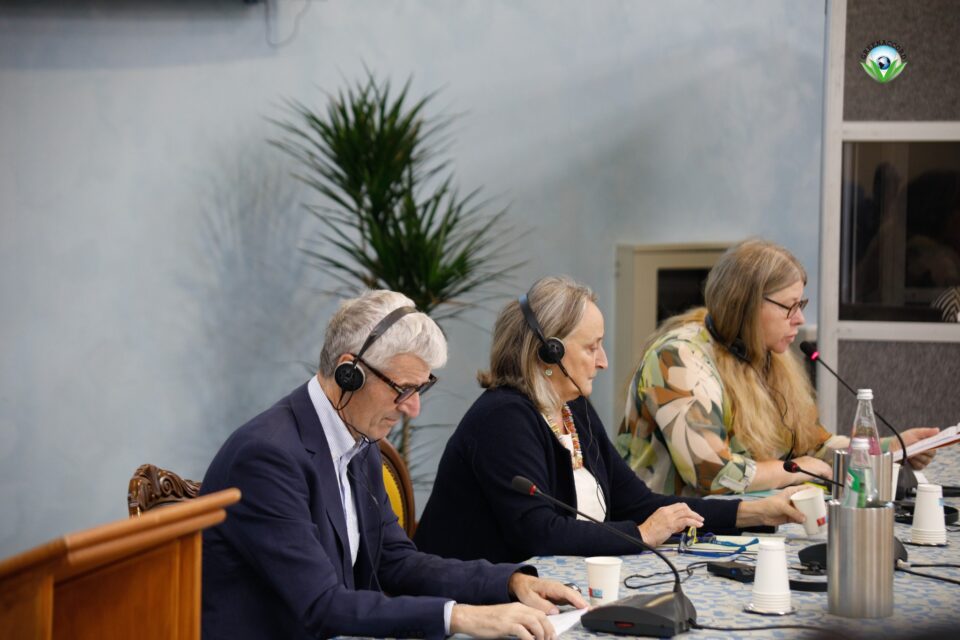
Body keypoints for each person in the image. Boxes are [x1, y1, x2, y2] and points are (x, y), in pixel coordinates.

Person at [199, 290, 586, 640]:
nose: (413, 409)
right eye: (403, 389)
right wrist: (462, 617)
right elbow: (321, 605)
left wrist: (509, 582)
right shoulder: (268, 457)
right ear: (348, 373)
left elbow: (396, 561)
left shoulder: (358, 436)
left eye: (421, 389)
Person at [413, 276, 805, 564]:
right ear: (547, 354)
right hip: (476, 605)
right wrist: (642, 534)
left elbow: (637, 502)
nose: (603, 361)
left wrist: (756, 511)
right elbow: (537, 532)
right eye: (591, 347)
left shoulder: (572, 408)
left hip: (552, 592)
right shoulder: (502, 418)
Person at [616, 238, 938, 497]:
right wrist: (794, 469)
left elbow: (815, 446)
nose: (799, 319)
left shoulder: (767, 353)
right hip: (663, 540)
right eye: (790, 306)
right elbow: (712, 474)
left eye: (802, 305)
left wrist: (889, 449)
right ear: (746, 306)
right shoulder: (677, 359)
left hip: (733, 527)